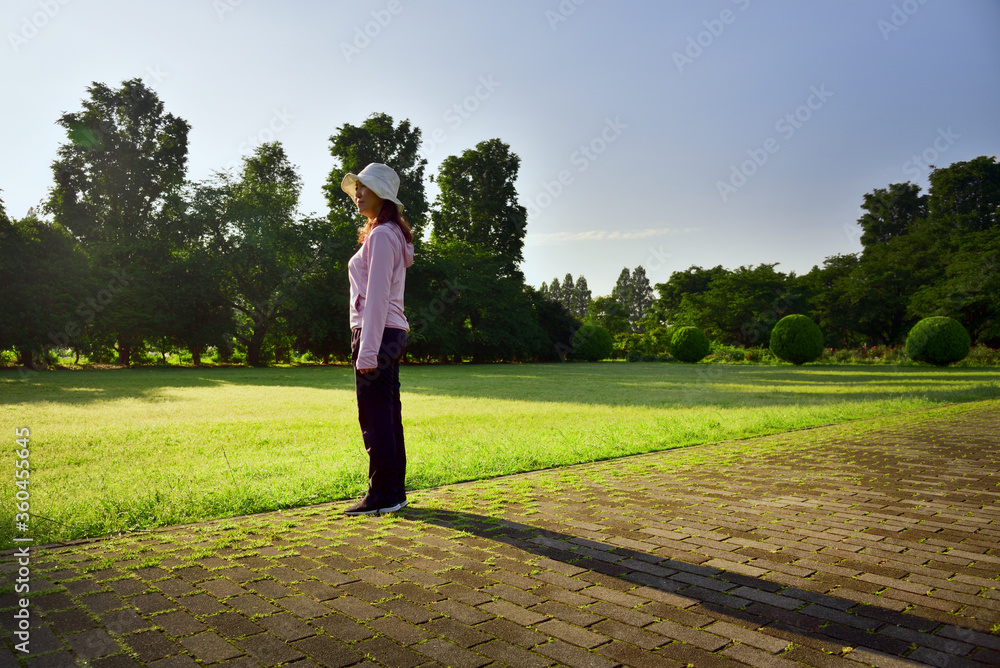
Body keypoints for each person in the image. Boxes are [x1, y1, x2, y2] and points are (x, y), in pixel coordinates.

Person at [341, 163, 415, 516]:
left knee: (375, 418)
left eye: (364, 187)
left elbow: (377, 296)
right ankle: (393, 493)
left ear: (381, 194)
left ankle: (383, 495)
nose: (357, 193)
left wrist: (367, 351)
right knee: (386, 416)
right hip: (387, 332)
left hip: (378, 333)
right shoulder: (386, 233)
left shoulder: (383, 235)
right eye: (356, 187)